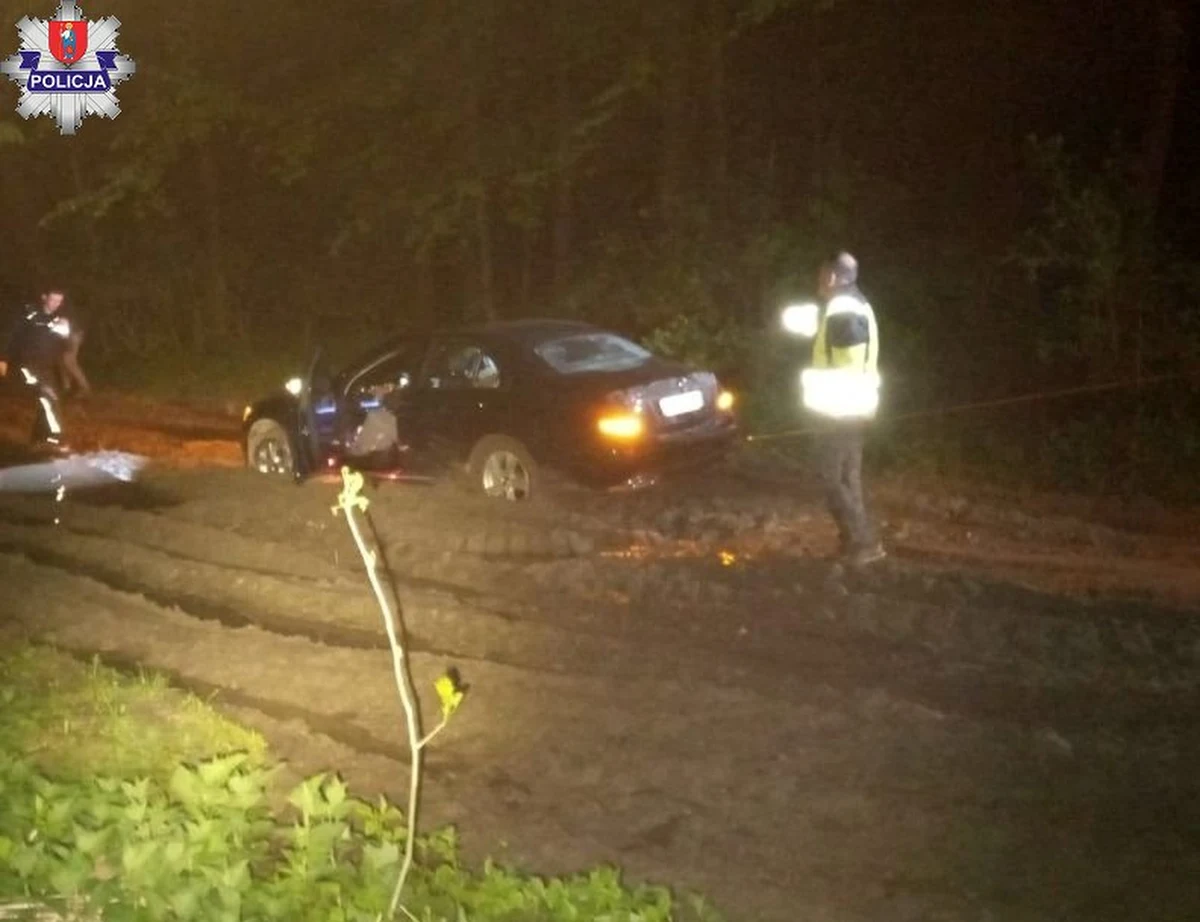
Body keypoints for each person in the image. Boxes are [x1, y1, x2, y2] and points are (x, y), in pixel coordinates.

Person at [794, 252, 885, 567]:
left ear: (832, 277)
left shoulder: (842, 310)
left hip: (840, 410)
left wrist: (821, 396)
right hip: (853, 407)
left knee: (829, 477)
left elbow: (846, 366)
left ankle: (863, 541)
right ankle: (857, 544)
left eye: (821, 275)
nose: (818, 281)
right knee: (847, 477)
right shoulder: (857, 303)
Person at [2, 286, 75, 451]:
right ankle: (58, 438)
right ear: (44, 297)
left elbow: (66, 346)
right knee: (49, 398)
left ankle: (37, 438)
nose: (56, 304)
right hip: (28, 366)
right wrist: (3, 358)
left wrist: (64, 332)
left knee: (48, 400)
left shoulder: (59, 320)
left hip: (47, 367)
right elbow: (12, 336)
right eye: (53, 299)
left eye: (59, 301)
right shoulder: (30, 315)